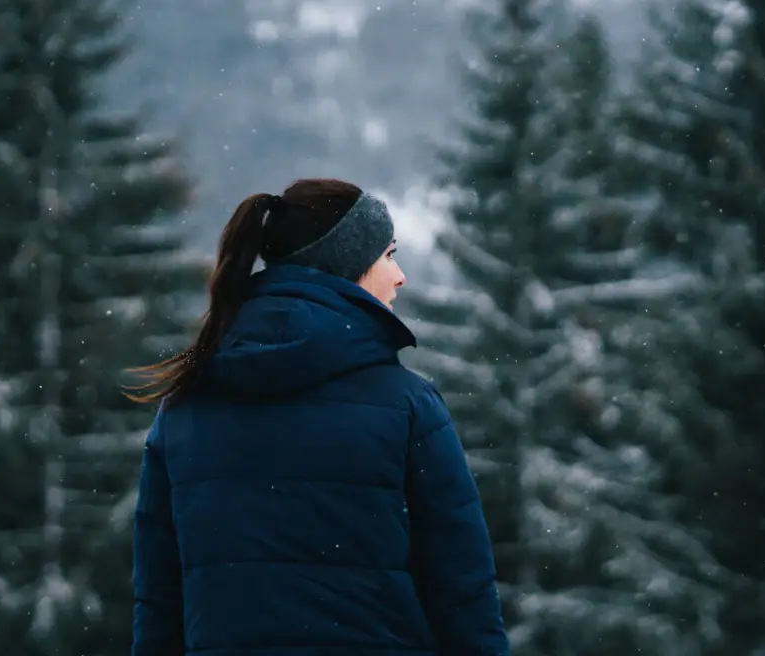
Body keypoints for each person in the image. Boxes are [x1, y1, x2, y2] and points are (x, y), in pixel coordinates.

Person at [125, 177, 509, 656]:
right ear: (347, 264)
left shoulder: (184, 408)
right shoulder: (409, 406)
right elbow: (462, 593)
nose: (400, 275)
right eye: (388, 255)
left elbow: (159, 604)